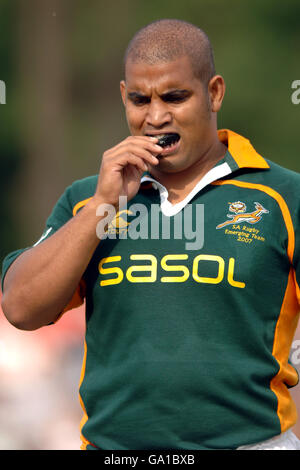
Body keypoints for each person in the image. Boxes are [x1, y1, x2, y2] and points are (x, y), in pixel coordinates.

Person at [1, 18, 300, 451]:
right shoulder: (88, 199)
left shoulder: (283, 196)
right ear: (124, 97)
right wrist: (103, 206)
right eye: (140, 100)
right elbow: (21, 308)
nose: (156, 117)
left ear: (214, 92)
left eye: (175, 97)